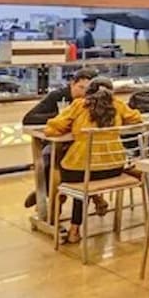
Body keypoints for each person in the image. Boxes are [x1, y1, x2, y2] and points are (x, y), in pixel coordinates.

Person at [44, 77, 143, 243]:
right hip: (113, 168)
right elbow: (137, 118)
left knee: (68, 170)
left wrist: (72, 129)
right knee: (88, 174)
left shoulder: (79, 105)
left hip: (80, 171)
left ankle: (68, 224)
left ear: (88, 92)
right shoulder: (117, 105)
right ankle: (96, 202)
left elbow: (52, 129)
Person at [21, 68, 98, 208]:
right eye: (80, 87)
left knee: (87, 160)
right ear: (72, 84)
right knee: (49, 159)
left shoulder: (94, 100)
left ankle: (53, 195)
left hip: (83, 146)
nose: (83, 93)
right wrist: (61, 116)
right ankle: (48, 194)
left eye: (88, 90)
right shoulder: (57, 96)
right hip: (56, 143)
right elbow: (28, 119)